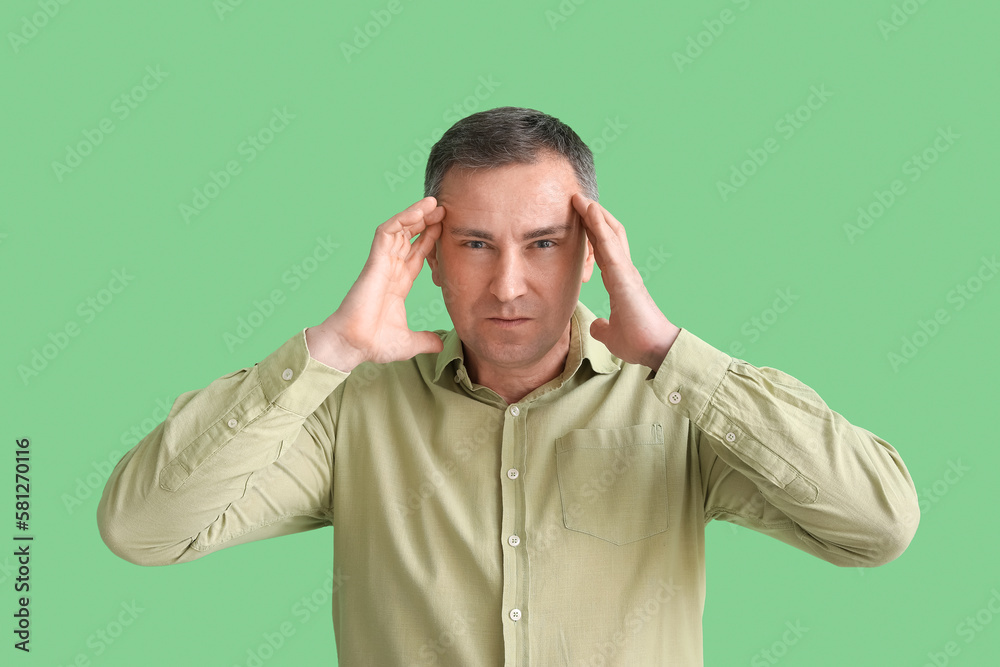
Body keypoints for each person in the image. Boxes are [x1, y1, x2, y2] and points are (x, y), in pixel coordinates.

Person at [97, 106, 920, 665]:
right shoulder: (351, 411)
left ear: (594, 250)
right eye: (477, 244)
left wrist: (673, 353)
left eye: (545, 243)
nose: (509, 287)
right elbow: (143, 528)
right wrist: (330, 349)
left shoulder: (678, 400)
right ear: (427, 255)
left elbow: (878, 524)